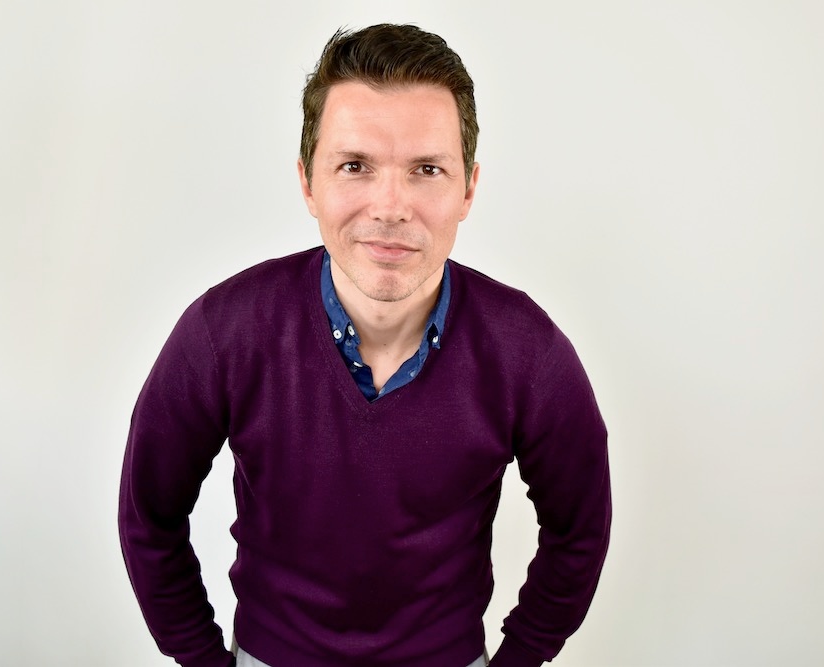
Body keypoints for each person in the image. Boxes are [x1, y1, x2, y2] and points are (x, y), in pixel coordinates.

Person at [119, 23, 611, 667]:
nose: (390, 206)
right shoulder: (223, 332)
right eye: (355, 166)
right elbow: (149, 517)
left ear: (467, 188)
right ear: (308, 182)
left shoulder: (529, 353)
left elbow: (579, 532)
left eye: (427, 170)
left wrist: (519, 659)